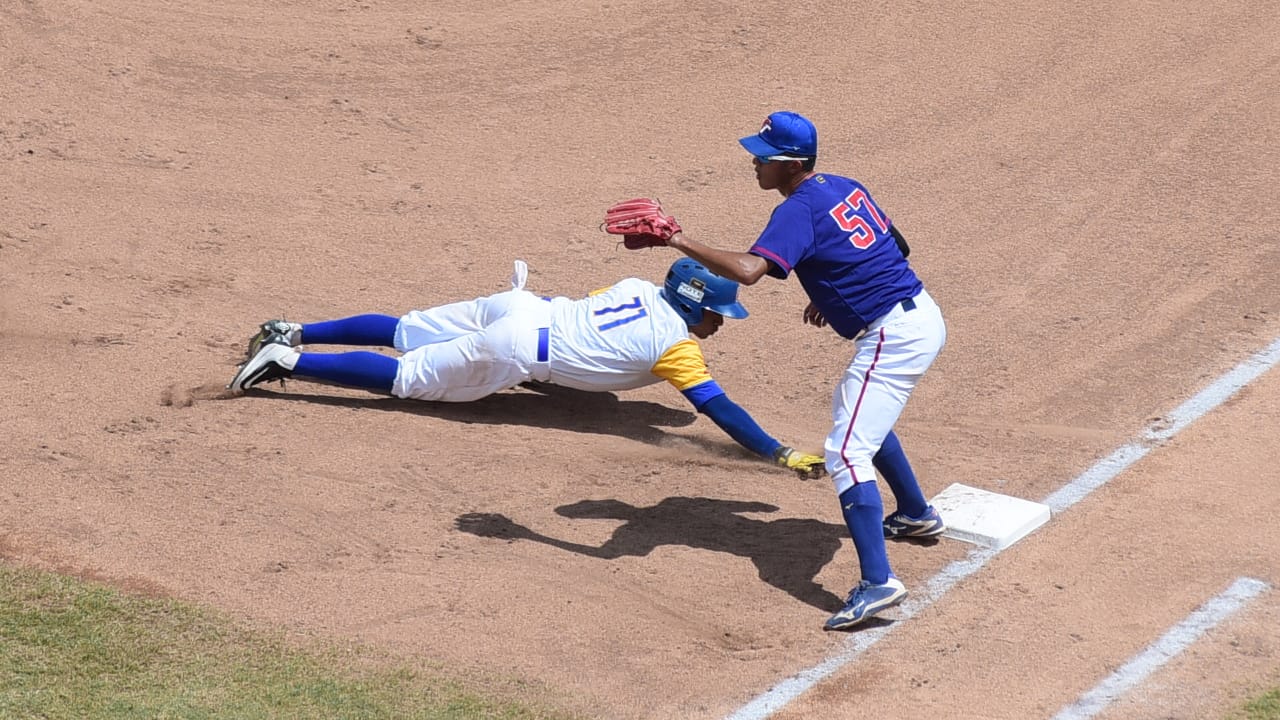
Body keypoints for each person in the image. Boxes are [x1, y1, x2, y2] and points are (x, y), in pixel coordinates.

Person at [661, 110, 948, 631]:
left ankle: (878, 582)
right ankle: (915, 514)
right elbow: (896, 247)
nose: (753, 163)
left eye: (762, 157)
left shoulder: (798, 208)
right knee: (855, 415)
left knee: (846, 450)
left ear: (790, 164)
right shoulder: (841, 185)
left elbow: (750, 271)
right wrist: (830, 293)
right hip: (917, 313)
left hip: (894, 335)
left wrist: (678, 241)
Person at [227, 258, 825, 476]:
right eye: (718, 312)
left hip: (519, 304)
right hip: (514, 352)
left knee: (405, 327)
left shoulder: (635, 283)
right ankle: (288, 360)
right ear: (694, 306)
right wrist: (777, 452)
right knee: (407, 379)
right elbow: (722, 410)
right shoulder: (680, 352)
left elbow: (593, 324)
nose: (722, 321)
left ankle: (296, 328)